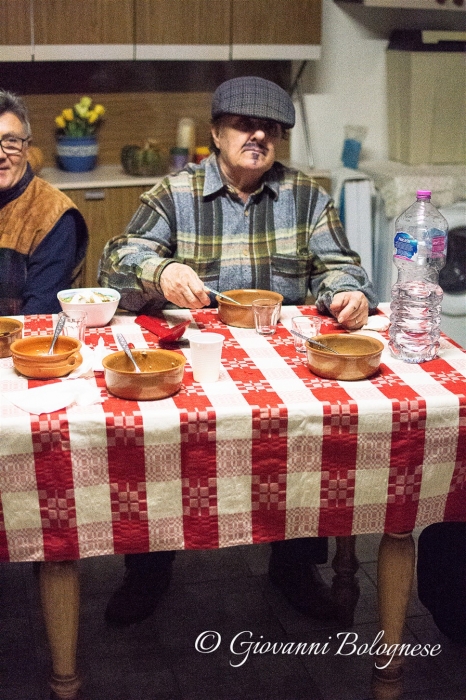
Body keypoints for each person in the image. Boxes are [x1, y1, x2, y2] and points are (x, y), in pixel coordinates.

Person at [99, 76, 379, 627]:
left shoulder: (307, 196)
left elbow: (343, 267)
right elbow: (117, 258)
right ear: (216, 133)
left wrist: (348, 293)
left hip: (285, 364)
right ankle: (148, 570)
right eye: (244, 125)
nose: (258, 136)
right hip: (194, 361)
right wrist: (162, 269)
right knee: (157, 443)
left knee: (318, 435)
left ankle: (294, 566)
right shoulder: (174, 193)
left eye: (270, 128)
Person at [0, 90, 88, 315]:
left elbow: (38, 320)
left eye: (10, 142)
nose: (1, 154)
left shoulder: (53, 214)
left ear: (27, 147)